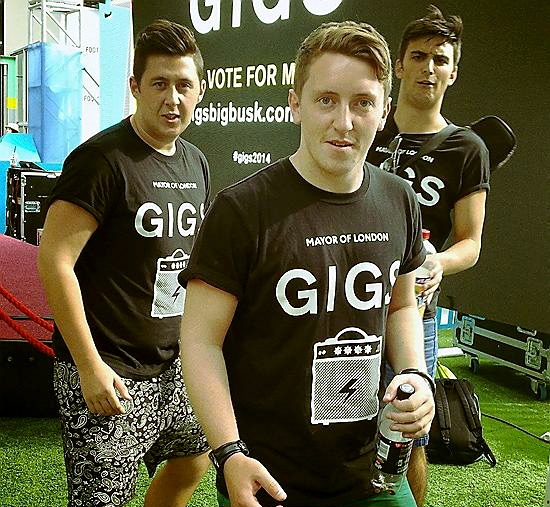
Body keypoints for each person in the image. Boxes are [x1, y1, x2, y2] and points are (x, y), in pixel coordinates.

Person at [179, 21, 435, 507]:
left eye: (362, 102)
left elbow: (401, 305)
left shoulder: (398, 199)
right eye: (326, 100)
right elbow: (200, 340)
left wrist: (416, 375)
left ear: (383, 112)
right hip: (268, 477)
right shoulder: (242, 209)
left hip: (373, 470)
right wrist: (229, 452)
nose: (344, 122)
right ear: (295, 103)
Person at [37, 19, 211, 507]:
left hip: (171, 365)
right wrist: (89, 367)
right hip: (108, 366)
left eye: (184, 85)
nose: (172, 99)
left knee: (195, 458)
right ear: (134, 86)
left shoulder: (195, 161)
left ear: (199, 90)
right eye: (159, 84)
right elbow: (55, 261)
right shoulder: (101, 160)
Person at [366, 5, 490, 505]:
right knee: (333, 412)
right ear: (398, 66)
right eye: (418, 57)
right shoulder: (364, 128)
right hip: (343, 300)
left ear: (454, 71)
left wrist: (438, 261)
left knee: (408, 428)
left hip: (412, 311)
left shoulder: (467, 148)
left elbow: (471, 244)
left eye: (440, 59)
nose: (428, 68)